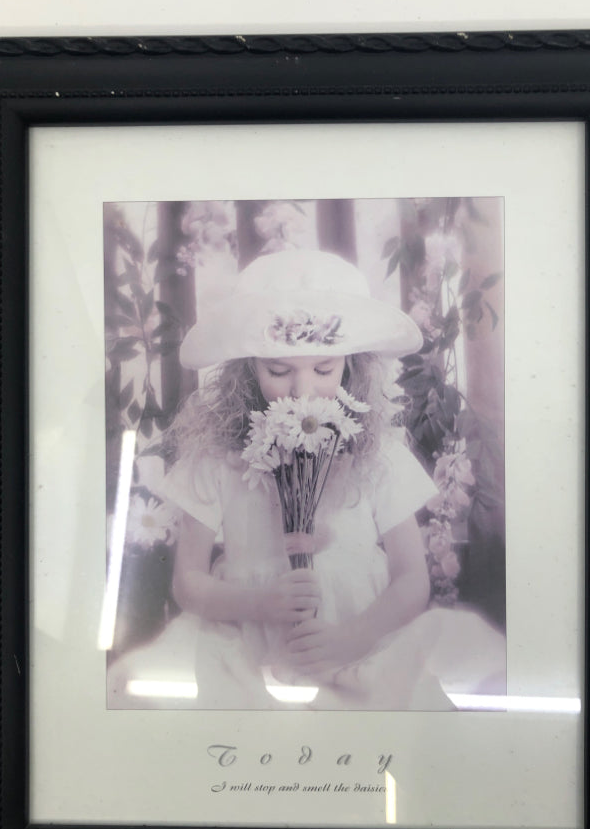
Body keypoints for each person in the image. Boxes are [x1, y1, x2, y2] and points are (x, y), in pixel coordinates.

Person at [107, 249, 456, 710]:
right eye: (279, 371)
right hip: (246, 649)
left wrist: (352, 638)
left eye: (324, 369)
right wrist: (259, 603)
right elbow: (187, 582)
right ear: (247, 368)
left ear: (351, 366)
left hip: (360, 641)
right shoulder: (216, 457)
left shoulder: (378, 455)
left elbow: (412, 578)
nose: (302, 391)